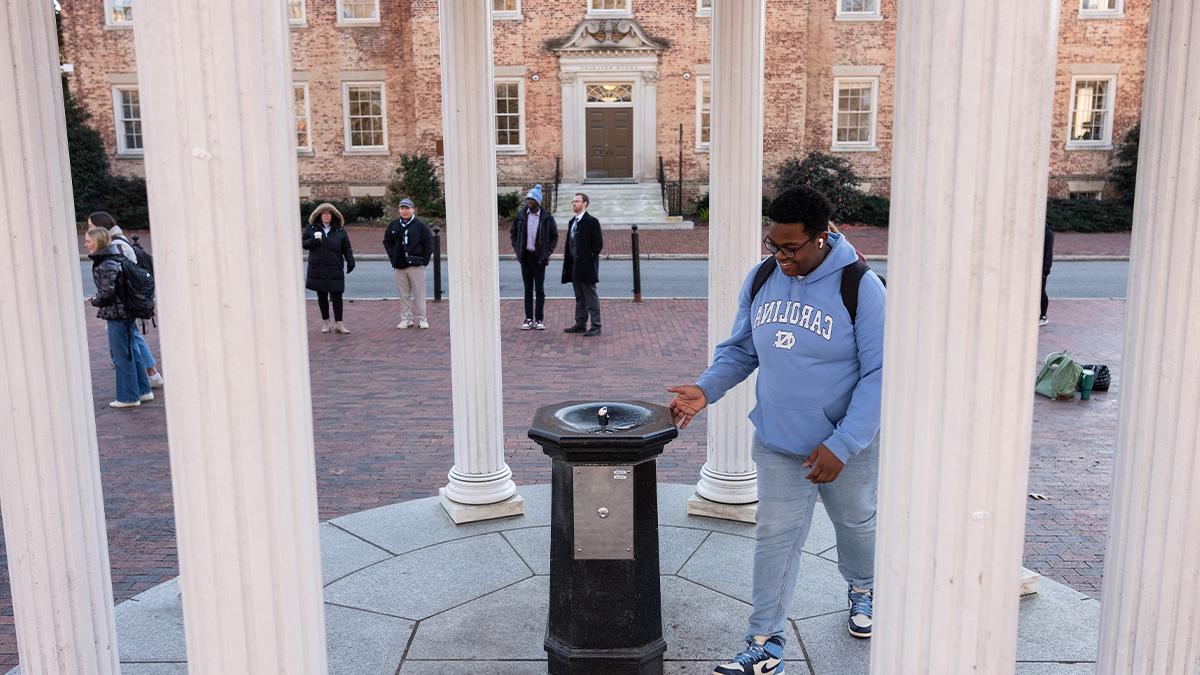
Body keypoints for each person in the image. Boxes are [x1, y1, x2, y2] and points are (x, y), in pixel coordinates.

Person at [667, 186, 886, 675]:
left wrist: (843, 443)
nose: (781, 256)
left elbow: (880, 375)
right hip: (778, 441)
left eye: (792, 248)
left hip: (843, 445)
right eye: (774, 245)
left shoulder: (861, 287)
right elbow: (741, 350)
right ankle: (764, 644)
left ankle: (864, 586)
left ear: (823, 237)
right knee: (776, 538)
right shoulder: (763, 276)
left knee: (855, 523)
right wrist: (707, 390)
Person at [89, 212, 164, 388]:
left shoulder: (115, 245)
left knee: (131, 340)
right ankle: (148, 378)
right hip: (126, 301)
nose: (89, 231)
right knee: (132, 338)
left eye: (92, 226)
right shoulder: (118, 241)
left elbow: (117, 275)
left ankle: (150, 375)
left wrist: (100, 299)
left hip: (124, 303)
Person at [85, 227, 154, 408]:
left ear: (98, 241)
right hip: (126, 311)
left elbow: (107, 293)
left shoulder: (105, 263)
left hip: (117, 314)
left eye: (88, 240)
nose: (86, 244)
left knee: (121, 356)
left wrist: (95, 301)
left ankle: (128, 397)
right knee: (132, 351)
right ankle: (143, 390)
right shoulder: (114, 258)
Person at [510, 184, 558, 330]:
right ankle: (528, 318)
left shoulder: (547, 217)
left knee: (539, 289)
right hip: (525, 257)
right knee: (527, 288)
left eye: (531, 200)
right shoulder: (520, 216)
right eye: (527, 199)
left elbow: (554, 236)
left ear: (537, 202)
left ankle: (539, 319)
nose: (528, 202)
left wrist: (548, 252)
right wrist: (518, 250)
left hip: (539, 258)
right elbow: (513, 234)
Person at [303, 203, 355, 334]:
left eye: (329, 213)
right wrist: (314, 241)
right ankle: (326, 322)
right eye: (324, 213)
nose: (326, 216)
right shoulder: (312, 228)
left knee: (337, 295)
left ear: (333, 216)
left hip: (334, 267)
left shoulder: (339, 230)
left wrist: (350, 261)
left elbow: (346, 248)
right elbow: (304, 244)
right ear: (319, 215)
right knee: (322, 296)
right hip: (318, 268)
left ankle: (339, 323)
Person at [383, 197, 434, 329]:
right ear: (399, 210)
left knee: (419, 294)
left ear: (413, 209)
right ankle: (406, 319)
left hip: (417, 265)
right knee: (404, 294)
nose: (404, 211)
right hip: (400, 265)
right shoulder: (394, 225)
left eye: (407, 208)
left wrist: (425, 261)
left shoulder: (420, 225)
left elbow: (429, 243)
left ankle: (422, 319)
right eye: (402, 208)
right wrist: (393, 256)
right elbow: (387, 241)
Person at [561, 192, 602, 337]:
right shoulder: (572, 221)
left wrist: (588, 258)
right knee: (579, 297)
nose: (574, 203)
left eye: (577, 201)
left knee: (591, 297)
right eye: (573, 201)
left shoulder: (592, 221)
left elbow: (598, 245)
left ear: (584, 203)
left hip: (587, 266)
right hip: (574, 265)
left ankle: (596, 326)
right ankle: (580, 324)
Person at [1040, 219, 1054, 326]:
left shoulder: (1048, 232)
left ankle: (1043, 316)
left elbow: (1049, 252)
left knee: (1041, 291)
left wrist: (1046, 269)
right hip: (1034, 266)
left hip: (1042, 267)